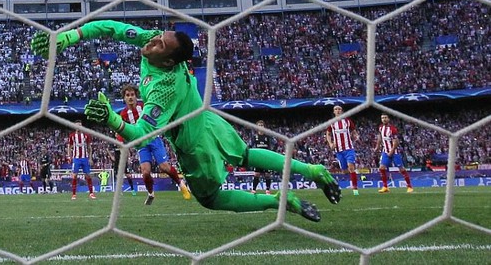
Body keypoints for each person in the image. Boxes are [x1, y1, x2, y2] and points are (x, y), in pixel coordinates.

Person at [31, 21, 341, 222]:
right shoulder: (153, 42)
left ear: (167, 61)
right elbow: (111, 28)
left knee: (211, 198)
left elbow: (141, 134)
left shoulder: (165, 88)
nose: (151, 42)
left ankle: (277, 201)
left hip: (195, 138)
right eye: (156, 37)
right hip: (208, 118)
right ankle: (311, 170)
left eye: (159, 45)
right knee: (244, 153)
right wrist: (69, 37)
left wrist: (112, 118)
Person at [119, 83, 190, 205]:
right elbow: (121, 131)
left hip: (153, 139)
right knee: (145, 172)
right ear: (124, 98)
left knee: (164, 167)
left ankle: (181, 184)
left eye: (132, 95)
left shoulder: (144, 107)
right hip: (141, 145)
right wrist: (122, 143)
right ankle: (151, 193)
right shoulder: (124, 114)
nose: (130, 97)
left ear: (136, 96)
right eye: (127, 95)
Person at [374, 113, 414, 194]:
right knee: (381, 168)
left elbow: (396, 142)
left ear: (388, 119)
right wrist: (377, 146)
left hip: (394, 152)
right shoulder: (381, 127)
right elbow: (380, 137)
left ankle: (409, 186)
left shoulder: (392, 129)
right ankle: (385, 187)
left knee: (401, 169)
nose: (384, 119)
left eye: (385, 117)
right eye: (382, 118)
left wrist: (391, 152)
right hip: (385, 151)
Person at [326, 105, 360, 196]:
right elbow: (328, 134)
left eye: (339, 109)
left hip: (349, 148)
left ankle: (355, 189)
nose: (338, 111)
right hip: (339, 150)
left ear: (342, 111)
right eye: (336, 109)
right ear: (334, 112)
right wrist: (330, 143)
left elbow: (354, 131)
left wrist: (356, 136)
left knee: (351, 167)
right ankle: (352, 177)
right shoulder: (331, 123)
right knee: (345, 171)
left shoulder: (348, 122)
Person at [68, 119, 96, 200]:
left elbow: (89, 147)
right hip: (76, 158)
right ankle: (74, 194)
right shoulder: (72, 136)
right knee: (74, 176)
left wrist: (90, 158)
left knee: (88, 175)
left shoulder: (86, 135)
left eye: (80, 125)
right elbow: (69, 147)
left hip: (85, 158)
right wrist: (69, 157)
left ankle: (91, 193)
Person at [249, 120, 278, 195]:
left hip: (266, 158)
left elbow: (275, 144)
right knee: (256, 174)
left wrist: (272, 152)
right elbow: (250, 146)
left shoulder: (267, 137)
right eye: (259, 125)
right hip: (258, 158)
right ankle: (254, 190)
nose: (261, 127)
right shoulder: (254, 137)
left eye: (262, 125)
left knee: (267, 175)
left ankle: (268, 190)